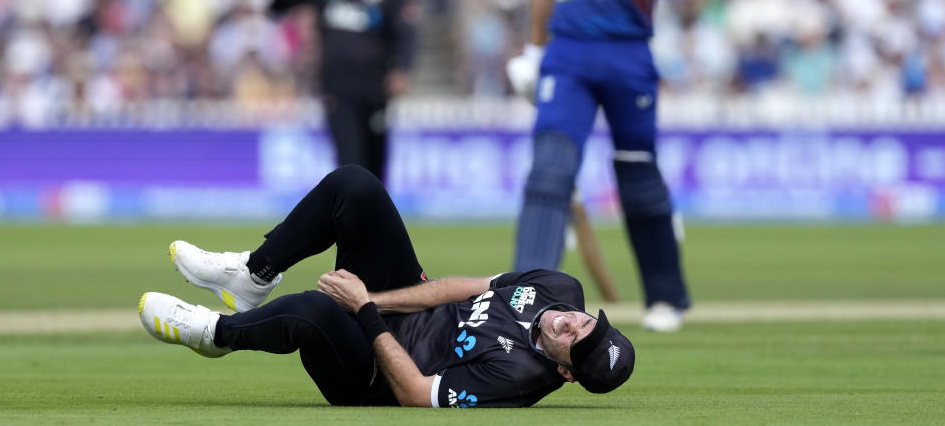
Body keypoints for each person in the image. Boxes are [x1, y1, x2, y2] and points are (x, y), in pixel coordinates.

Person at [138, 164, 635, 408]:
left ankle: (215, 334)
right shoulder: (559, 287)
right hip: (399, 310)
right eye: (585, 321)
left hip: (376, 375)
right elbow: (461, 288)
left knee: (316, 311)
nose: (569, 322)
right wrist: (376, 297)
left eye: (574, 340)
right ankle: (253, 276)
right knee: (356, 187)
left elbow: (417, 393)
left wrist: (364, 313)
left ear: (566, 374)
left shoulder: (519, 378)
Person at [506, 0, 690, 331]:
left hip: (627, 53)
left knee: (637, 174)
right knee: (549, 172)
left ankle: (664, 297)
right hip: (568, 55)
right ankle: (525, 299)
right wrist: (535, 51)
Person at [269, 0, 415, 180]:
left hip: (374, 86)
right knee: (350, 161)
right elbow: (281, 5)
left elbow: (404, 34)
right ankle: (349, 219)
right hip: (338, 86)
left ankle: (372, 220)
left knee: (375, 162)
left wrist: (402, 69)